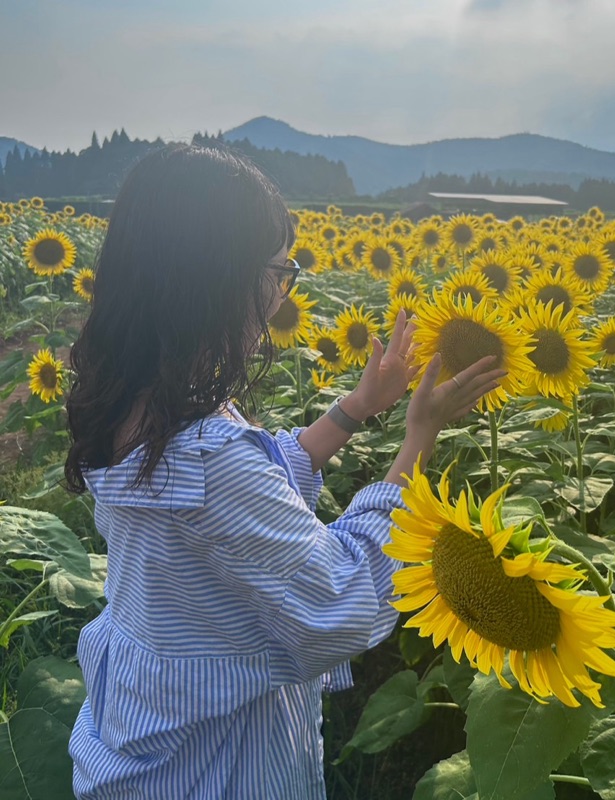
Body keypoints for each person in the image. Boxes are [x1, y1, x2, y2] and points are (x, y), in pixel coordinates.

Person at [64, 143, 504, 799]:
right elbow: (342, 600)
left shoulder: (131, 402)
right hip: (219, 767)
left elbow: (246, 489)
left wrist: (356, 408)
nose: (279, 296)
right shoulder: (209, 455)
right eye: (279, 272)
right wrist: (420, 434)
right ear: (217, 281)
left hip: (145, 740)